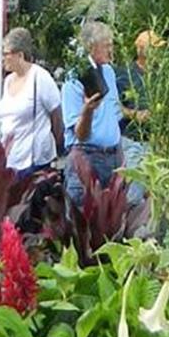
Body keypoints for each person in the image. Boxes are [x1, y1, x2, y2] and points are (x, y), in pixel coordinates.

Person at [62, 21, 125, 204]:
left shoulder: (109, 73)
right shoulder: (74, 79)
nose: (111, 51)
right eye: (107, 46)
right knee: (82, 218)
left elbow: (113, 116)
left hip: (112, 157)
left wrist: (119, 154)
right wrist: (88, 111)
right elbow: (80, 134)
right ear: (91, 47)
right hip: (86, 156)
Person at [0, 27, 64, 179]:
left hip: (33, 163)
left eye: (6, 54)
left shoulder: (40, 77)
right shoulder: (7, 81)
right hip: (10, 161)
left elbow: (57, 115)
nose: (3, 58)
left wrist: (54, 145)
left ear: (20, 55)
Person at [116, 30, 161, 168]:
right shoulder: (124, 74)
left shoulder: (161, 74)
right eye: (155, 48)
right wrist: (136, 115)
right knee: (135, 185)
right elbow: (114, 105)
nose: (159, 52)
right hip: (133, 142)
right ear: (142, 50)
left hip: (157, 142)